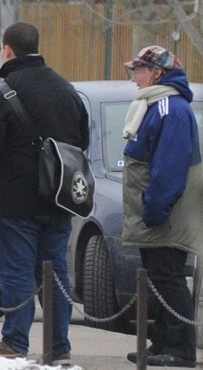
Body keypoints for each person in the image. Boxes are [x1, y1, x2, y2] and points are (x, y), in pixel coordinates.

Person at [0, 22, 88, 365]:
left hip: (13, 203)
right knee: (55, 273)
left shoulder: (3, 93)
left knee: (17, 273)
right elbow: (81, 144)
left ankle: (15, 343)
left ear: (7, 49)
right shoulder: (67, 91)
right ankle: (58, 348)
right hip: (58, 199)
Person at [121, 45, 200, 368]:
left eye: (138, 70)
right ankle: (162, 343)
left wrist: (155, 209)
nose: (134, 78)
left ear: (157, 73)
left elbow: (168, 167)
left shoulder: (169, 108)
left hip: (165, 214)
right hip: (155, 212)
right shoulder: (157, 104)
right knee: (159, 276)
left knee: (168, 276)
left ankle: (181, 350)